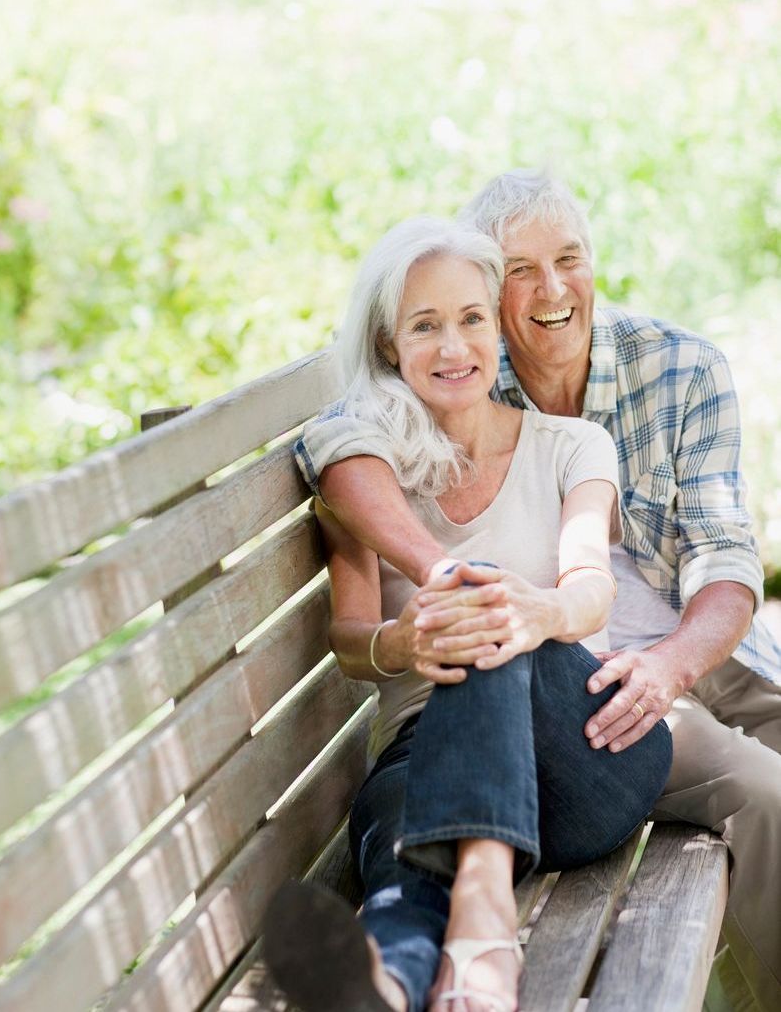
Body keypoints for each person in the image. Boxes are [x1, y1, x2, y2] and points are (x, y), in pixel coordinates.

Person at [292, 171, 781, 1012]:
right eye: (521, 271)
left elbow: (689, 563)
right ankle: (392, 979)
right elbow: (329, 450)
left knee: (496, 624)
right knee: (407, 850)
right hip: (451, 737)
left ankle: (497, 925)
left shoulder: (616, 409)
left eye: (569, 261)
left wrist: (548, 617)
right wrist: (416, 629)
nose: (549, 291)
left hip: (634, 682)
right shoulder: (399, 427)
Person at [263, 217, 673, 1012]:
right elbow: (351, 642)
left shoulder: (573, 445)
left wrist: (534, 608)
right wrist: (398, 638)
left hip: (578, 752)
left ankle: (485, 908)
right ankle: (384, 982)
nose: (454, 347)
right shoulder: (364, 467)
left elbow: (592, 586)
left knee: (484, 596)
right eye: (425, 326)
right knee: (405, 875)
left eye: (471, 319)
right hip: (421, 762)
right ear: (389, 346)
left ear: (497, 326)